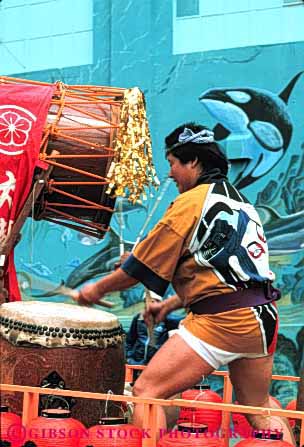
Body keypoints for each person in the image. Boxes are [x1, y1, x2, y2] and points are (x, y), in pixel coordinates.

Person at [73, 122, 294, 443]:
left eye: (173, 163)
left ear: (193, 162)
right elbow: (226, 270)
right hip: (261, 318)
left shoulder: (191, 204)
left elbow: (136, 270)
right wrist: (171, 303)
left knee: (147, 390)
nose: (170, 173)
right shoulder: (242, 203)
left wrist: (95, 289)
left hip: (224, 322)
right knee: (258, 406)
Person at [125, 289, 182, 378]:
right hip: (137, 362)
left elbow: (183, 321)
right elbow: (129, 340)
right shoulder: (138, 318)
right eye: (147, 302)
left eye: (154, 302)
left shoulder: (166, 320)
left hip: (156, 363)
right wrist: (129, 357)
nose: (149, 305)